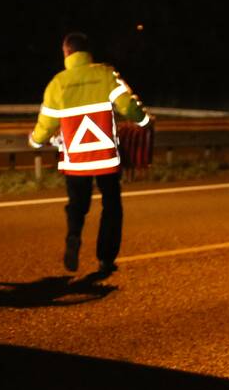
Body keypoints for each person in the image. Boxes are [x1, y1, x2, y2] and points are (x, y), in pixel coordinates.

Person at [28, 32, 151, 275]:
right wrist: (144, 120)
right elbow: (127, 105)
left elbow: (46, 124)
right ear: (88, 52)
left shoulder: (57, 84)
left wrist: (35, 141)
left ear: (66, 52)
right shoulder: (106, 74)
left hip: (76, 161)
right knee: (111, 205)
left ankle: (74, 235)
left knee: (77, 204)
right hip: (106, 158)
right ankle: (106, 258)